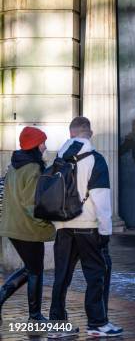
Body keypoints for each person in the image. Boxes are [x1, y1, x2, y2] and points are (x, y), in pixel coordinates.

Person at [48, 117, 122, 338]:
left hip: (63, 226)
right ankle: (97, 324)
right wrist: (106, 231)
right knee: (96, 275)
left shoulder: (58, 160)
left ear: (70, 134)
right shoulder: (95, 159)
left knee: (61, 277)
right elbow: (102, 199)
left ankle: (57, 326)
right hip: (88, 226)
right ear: (89, 133)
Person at [0, 127, 55, 322]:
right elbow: (32, 203)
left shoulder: (15, 164)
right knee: (35, 271)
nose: (45, 146)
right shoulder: (33, 168)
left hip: (14, 227)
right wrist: (46, 221)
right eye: (43, 143)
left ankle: (4, 298)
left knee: (30, 269)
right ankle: (35, 316)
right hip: (28, 229)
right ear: (35, 145)